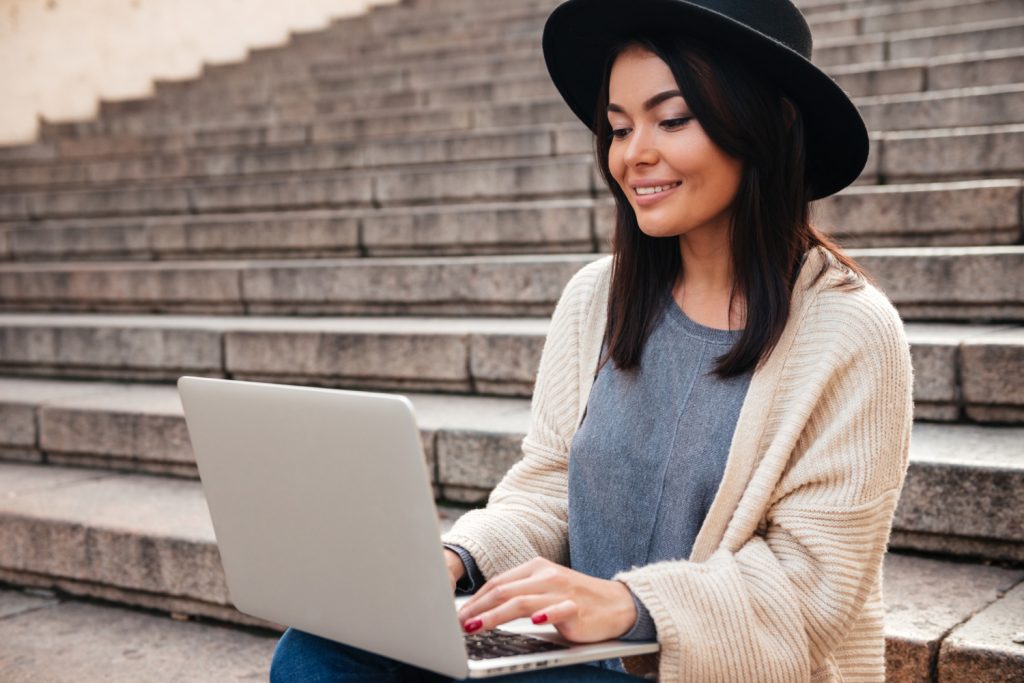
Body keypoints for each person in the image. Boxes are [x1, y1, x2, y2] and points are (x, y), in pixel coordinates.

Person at [270, 0, 914, 681]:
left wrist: (630, 604)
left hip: (697, 668)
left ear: (771, 120)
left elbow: (812, 588)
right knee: (318, 648)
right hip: (572, 653)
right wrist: (456, 557)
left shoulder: (849, 330)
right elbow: (548, 488)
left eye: (672, 119)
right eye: (618, 127)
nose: (634, 154)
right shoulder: (595, 299)